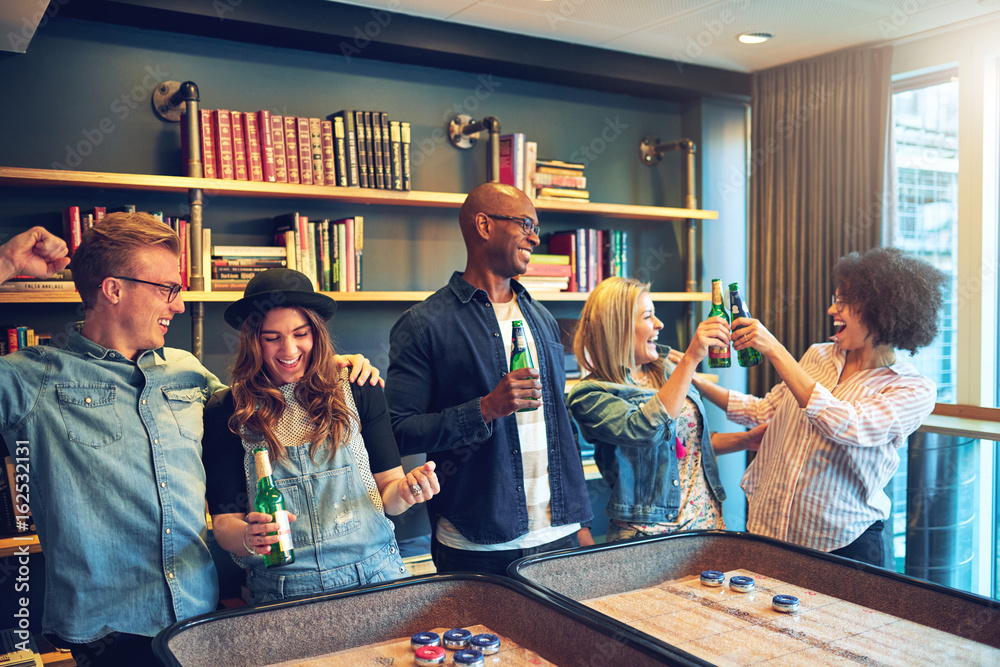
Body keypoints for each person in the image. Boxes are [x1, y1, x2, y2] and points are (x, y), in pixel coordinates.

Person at [0, 217, 376, 666]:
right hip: (111, 632)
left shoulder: (187, 370)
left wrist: (327, 369)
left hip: (199, 617)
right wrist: (4, 262)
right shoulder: (31, 379)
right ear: (113, 289)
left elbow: (264, 401)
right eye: (167, 289)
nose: (178, 306)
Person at [385, 182, 593, 576]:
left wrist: (580, 520)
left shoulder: (542, 318)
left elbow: (557, 426)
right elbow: (399, 431)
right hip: (476, 543)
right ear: (483, 225)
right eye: (526, 224)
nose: (535, 236)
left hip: (560, 535)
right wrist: (485, 409)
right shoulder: (423, 325)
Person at [692, 247, 947, 567]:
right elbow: (765, 410)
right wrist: (693, 377)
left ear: (883, 310)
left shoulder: (912, 389)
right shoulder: (818, 356)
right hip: (767, 527)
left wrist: (774, 349)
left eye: (843, 302)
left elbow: (846, 424)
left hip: (842, 545)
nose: (831, 309)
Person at [203, 268, 439, 603]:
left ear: (317, 332)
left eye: (301, 334)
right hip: (283, 592)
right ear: (252, 339)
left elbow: (389, 492)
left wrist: (409, 489)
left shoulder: (358, 388)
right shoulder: (227, 410)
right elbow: (225, 523)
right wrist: (248, 536)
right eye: (272, 338)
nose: (289, 349)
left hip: (374, 577)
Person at [568, 277, 764, 541]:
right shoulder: (590, 394)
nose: (660, 324)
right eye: (648, 316)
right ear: (619, 328)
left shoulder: (669, 369)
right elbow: (646, 430)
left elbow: (687, 445)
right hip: (647, 536)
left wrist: (748, 439)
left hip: (707, 522)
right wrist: (692, 359)